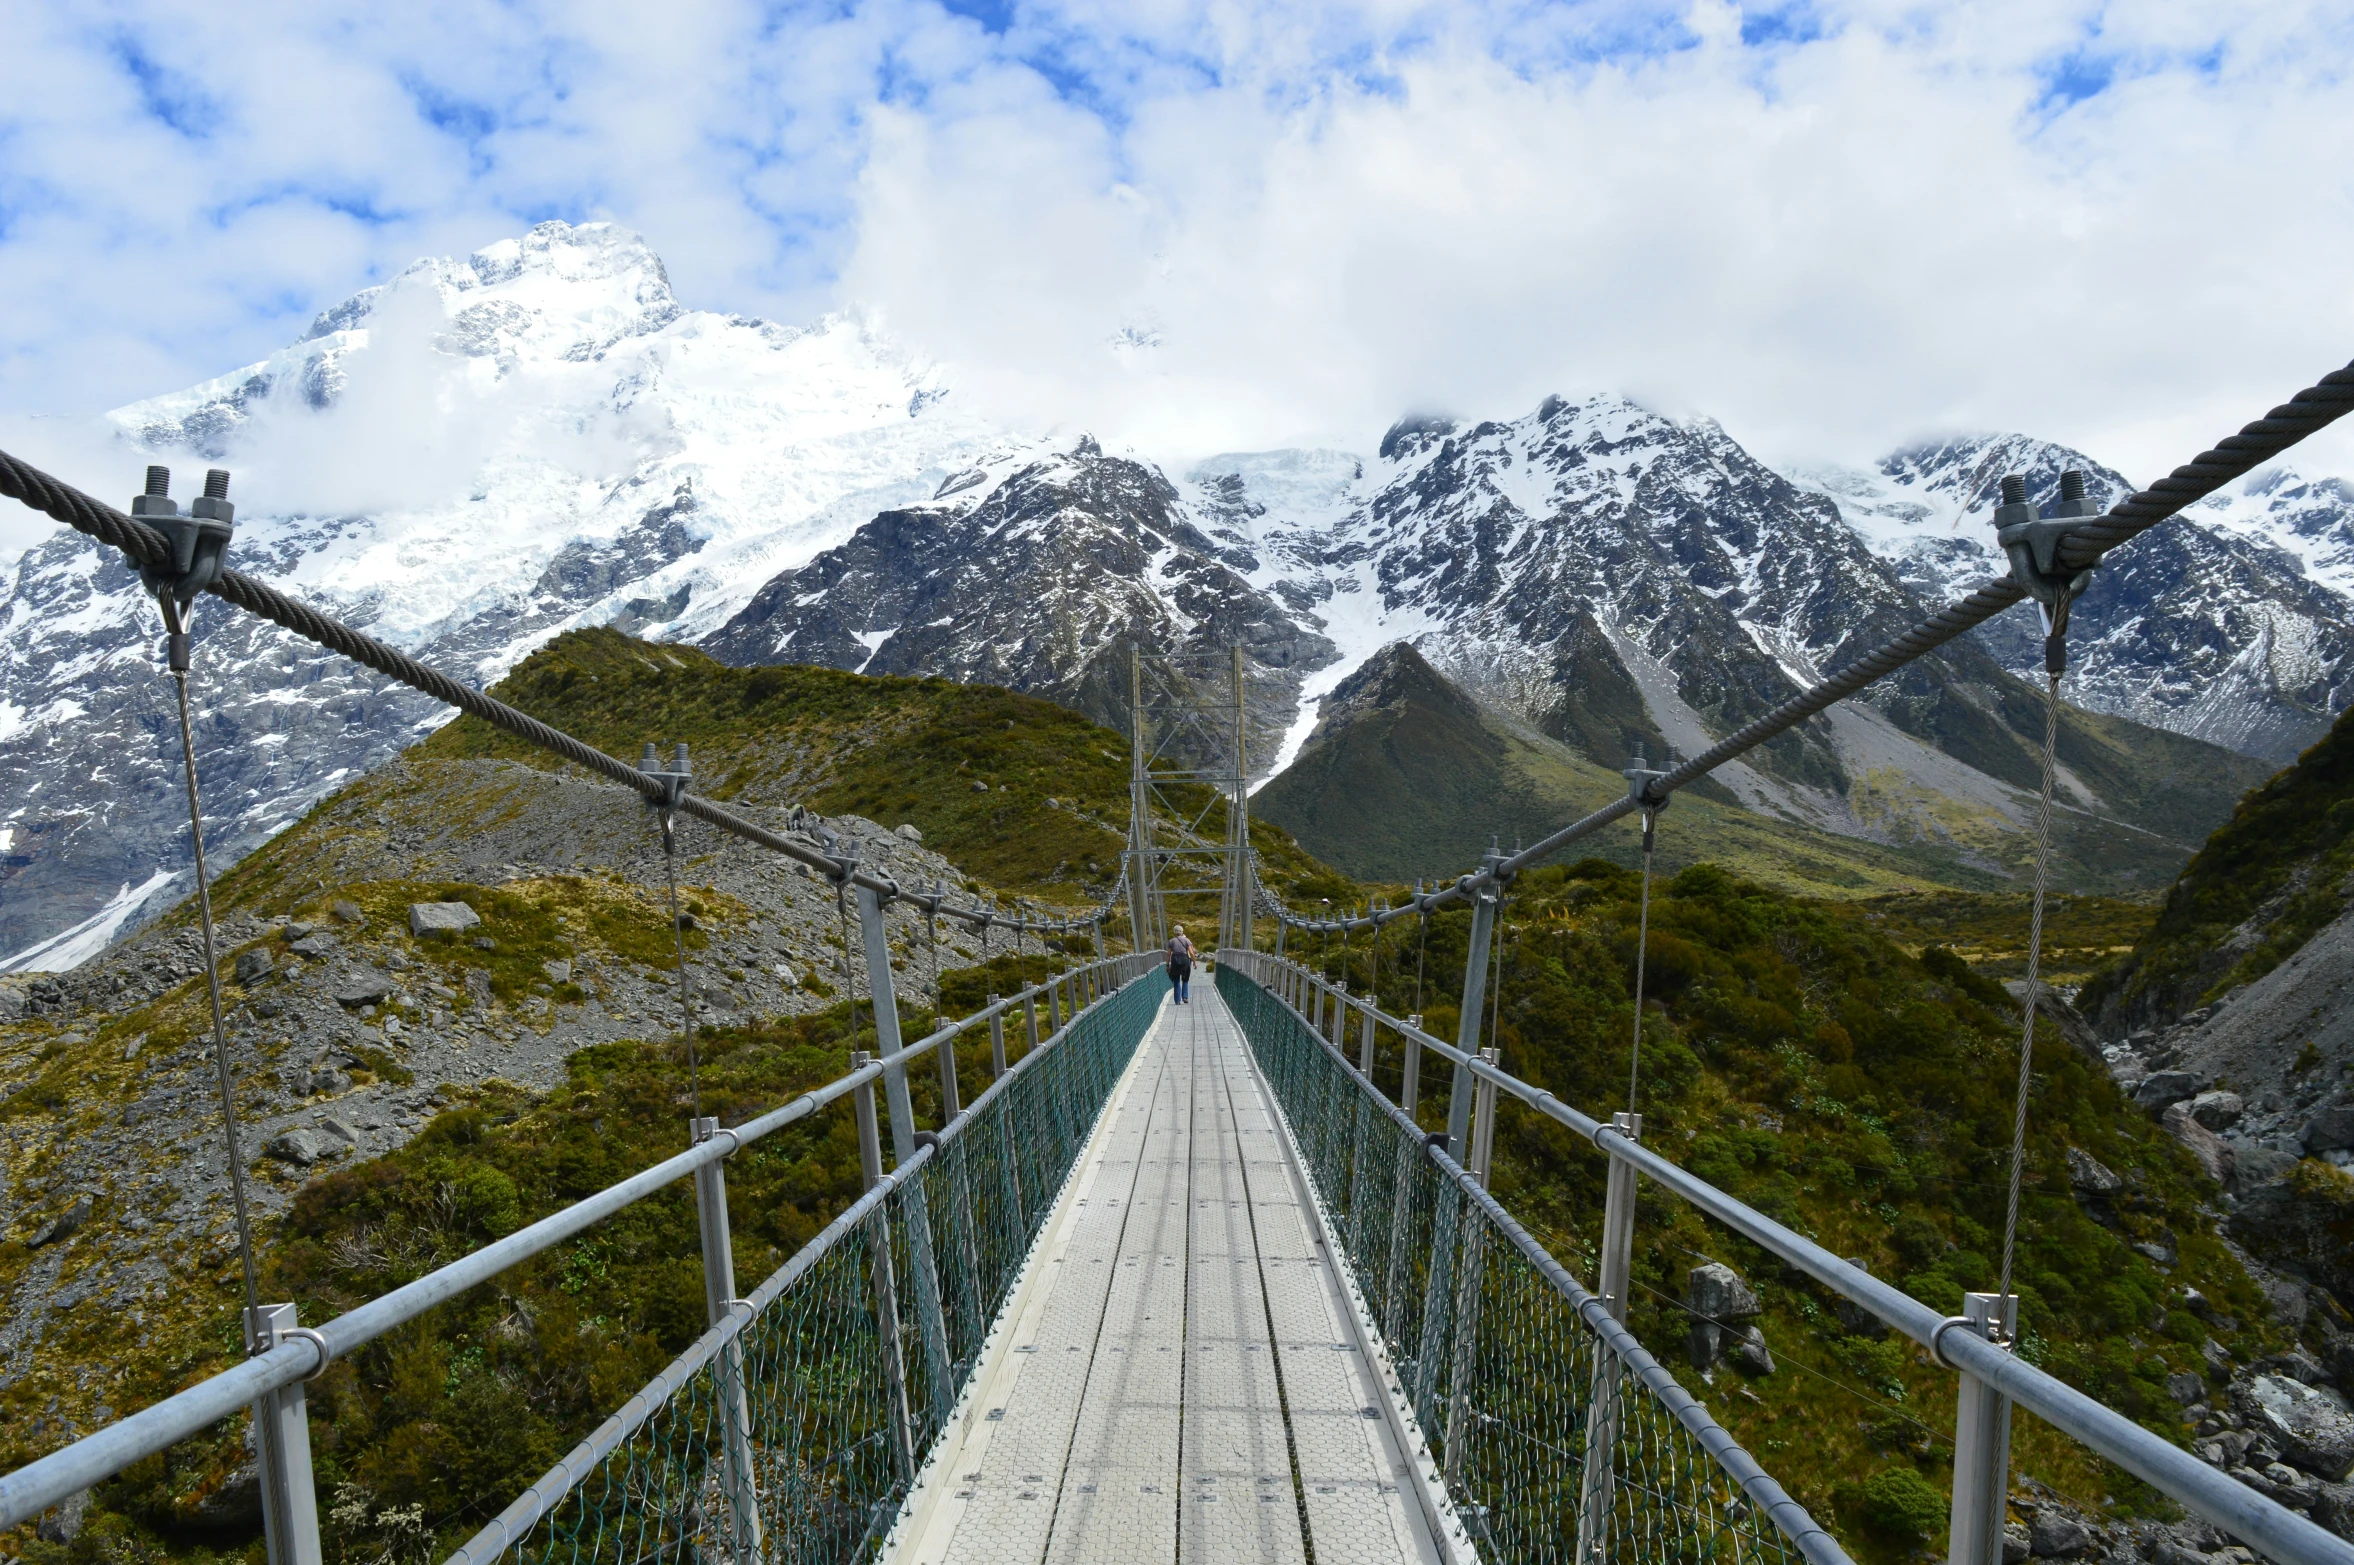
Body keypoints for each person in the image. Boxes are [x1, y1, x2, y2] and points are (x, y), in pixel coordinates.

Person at [1166, 925, 1196, 1004]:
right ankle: (1185, 997)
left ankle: (1177, 1000)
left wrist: (1167, 965)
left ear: (1174, 932)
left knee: (1176, 980)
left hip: (1175, 960)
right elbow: (1191, 952)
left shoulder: (1171, 941)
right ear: (1182, 932)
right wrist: (1194, 963)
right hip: (1185, 960)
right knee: (1185, 979)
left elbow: (1168, 954)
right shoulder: (1187, 940)